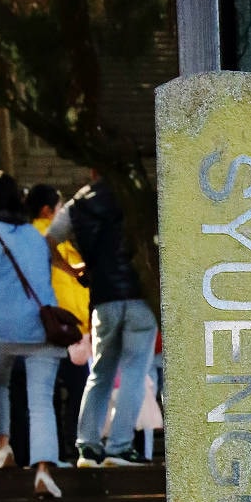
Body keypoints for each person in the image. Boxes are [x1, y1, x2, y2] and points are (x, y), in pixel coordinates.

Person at [46, 173, 156, 467]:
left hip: (103, 298)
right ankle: (119, 447)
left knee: (101, 372)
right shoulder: (143, 199)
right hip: (141, 297)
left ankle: (88, 445)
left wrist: (73, 270)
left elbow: (49, 241)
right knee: (134, 371)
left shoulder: (77, 204)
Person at [0, 171, 64, 498]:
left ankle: (3, 445)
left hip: (0, 328)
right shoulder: (34, 236)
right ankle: (43, 471)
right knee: (41, 403)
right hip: (44, 326)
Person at [27, 183, 91, 463]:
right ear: (46, 209)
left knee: (54, 392)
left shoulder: (41, 237)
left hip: (59, 327)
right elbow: (64, 284)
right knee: (72, 390)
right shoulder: (45, 236)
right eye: (59, 206)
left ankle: (55, 450)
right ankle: (67, 447)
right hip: (63, 328)